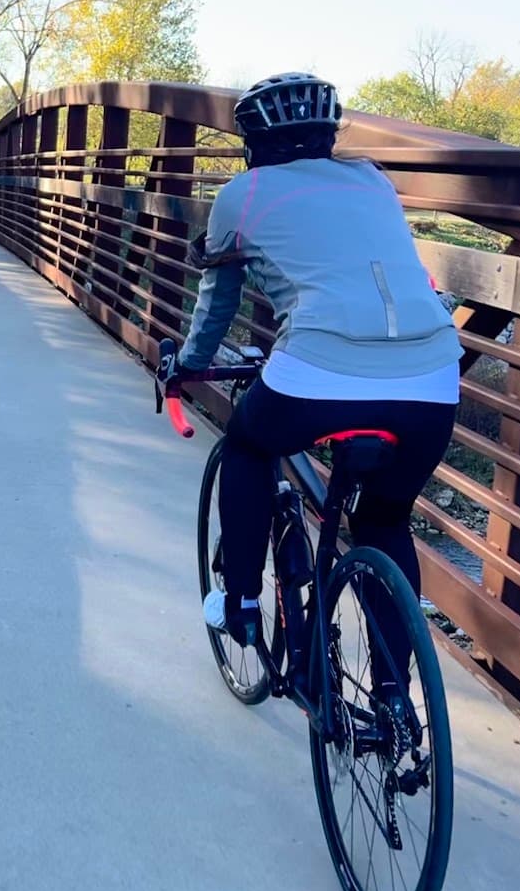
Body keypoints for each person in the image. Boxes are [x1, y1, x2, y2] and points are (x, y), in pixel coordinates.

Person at [171, 72, 461, 701]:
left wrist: (187, 366)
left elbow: (215, 307)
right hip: (434, 376)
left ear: (252, 141)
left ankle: (242, 601)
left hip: (318, 371)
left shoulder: (242, 195)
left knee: (248, 446)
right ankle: (393, 695)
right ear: (329, 135)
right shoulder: (374, 180)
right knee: (385, 519)